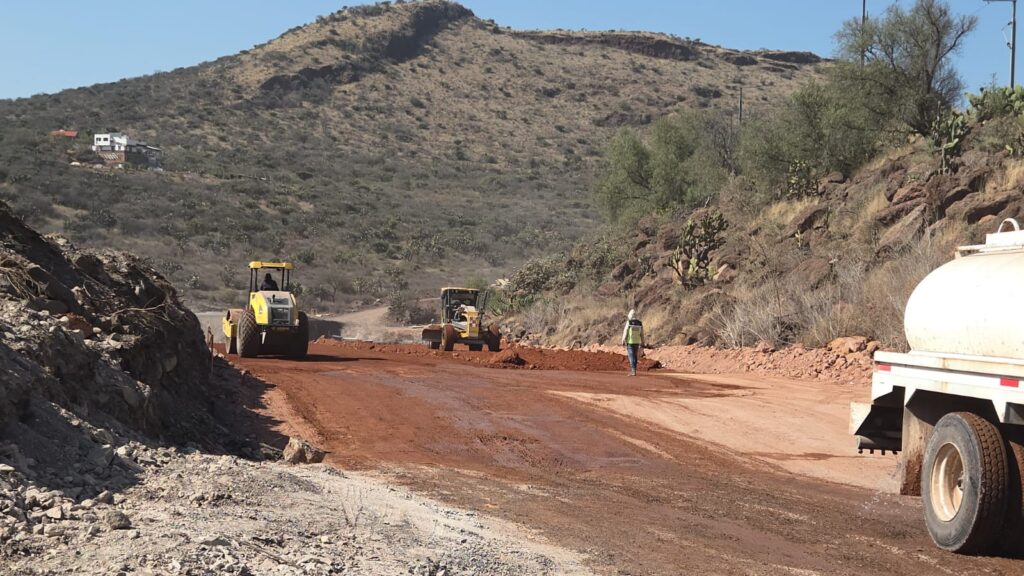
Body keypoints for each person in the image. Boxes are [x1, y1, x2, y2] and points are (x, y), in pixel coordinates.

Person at [621, 309, 645, 376]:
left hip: (630, 342)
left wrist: (623, 340)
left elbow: (625, 331)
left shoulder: (629, 322)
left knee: (631, 356)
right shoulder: (640, 323)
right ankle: (634, 370)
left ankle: (633, 370)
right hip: (637, 342)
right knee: (635, 356)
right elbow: (642, 334)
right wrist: (643, 341)